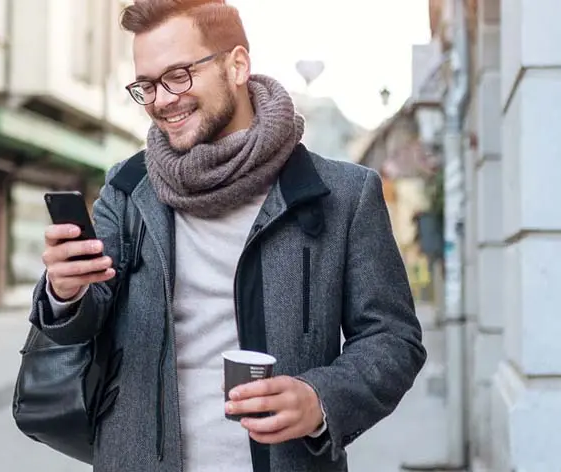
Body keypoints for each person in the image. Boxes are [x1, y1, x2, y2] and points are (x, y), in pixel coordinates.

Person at [29, 1, 426, 471]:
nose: (162, 100)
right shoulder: (127, 188)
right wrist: (66, 292)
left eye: (178, 75)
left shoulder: (343, 195)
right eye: (147, 85)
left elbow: (393, 339)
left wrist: (320, 398)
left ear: (237, 65)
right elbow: (85, 318)